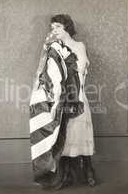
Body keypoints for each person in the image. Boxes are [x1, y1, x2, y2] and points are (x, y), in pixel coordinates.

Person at [29, 14, 96, 190]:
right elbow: (49, 78)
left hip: (80, 97)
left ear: (67, 27)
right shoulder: (55, 49)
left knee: (82, 133)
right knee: (66, 135)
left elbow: (83, 67)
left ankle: (88, 169)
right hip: (64, 99)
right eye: (52, 28)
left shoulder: (80, 46)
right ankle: (65, 173)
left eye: (57, 27)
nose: (54, 31)